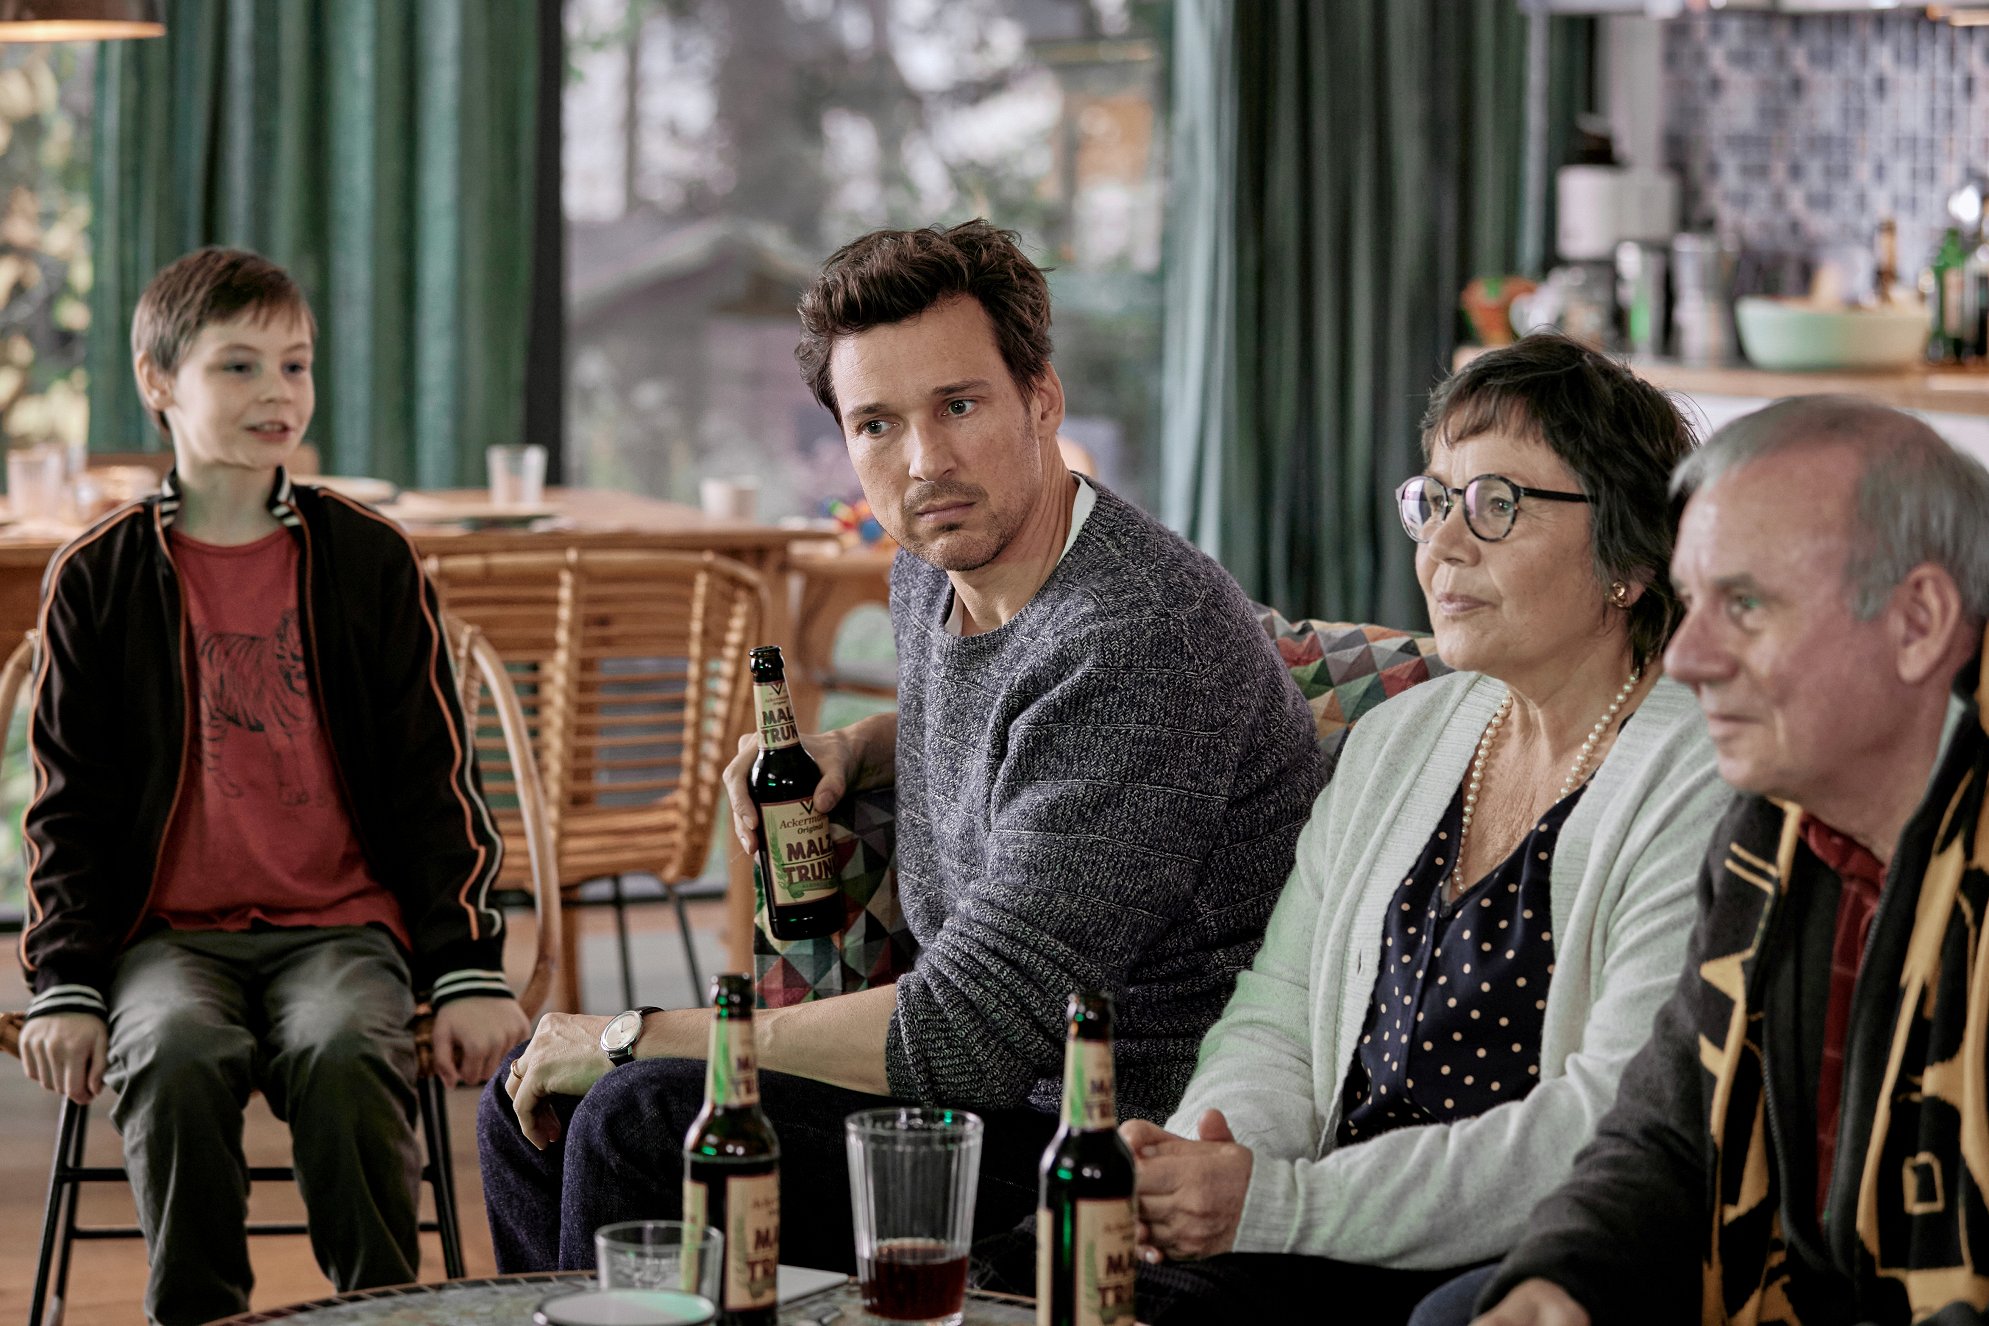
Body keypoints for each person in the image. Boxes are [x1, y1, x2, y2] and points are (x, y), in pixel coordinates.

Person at [476, 218, 1325, 1273]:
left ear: (1042, 399)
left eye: (959, 405)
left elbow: (967, 1035)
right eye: (877, 424)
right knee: (525, 1099)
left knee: (634, 1112)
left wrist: (628, 1032)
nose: (925, 462)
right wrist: (864, 746)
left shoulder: (1141, 636)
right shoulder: (934, 566)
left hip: (1112, 1141)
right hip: (988, 1098)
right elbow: (1015, 718)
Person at [1123, 334, 1732, 1325]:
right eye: (1434, 500)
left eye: (1497, 504)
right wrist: (1207, 1162)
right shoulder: (1396, 741)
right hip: (1320, 1224)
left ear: (1628, 559)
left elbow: (1610, 1121)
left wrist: (1277, 1204)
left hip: (1520, 1259)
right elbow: (1277, 1017)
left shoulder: (1698, 773)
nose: (1443, 544)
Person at [15, 247, 528, 1326]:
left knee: (345, 1049)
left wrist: (467, 969)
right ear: (159, 381)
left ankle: (379, 1313)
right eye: (238, 366)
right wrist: (65, 980)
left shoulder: (369, 559)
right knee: (174, 1049)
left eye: (295, 365)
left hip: (343, 928)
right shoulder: (97, 575)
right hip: (164, 941)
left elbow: (436, 782)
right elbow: (66, 810)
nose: (277, 392)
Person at [1439, 397, 1989, 1326]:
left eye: (1745, 605)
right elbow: (1666, 1131)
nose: (1687, 657)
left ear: (1917, 621)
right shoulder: (1766, 830)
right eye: (1692, 604)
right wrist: (1557, 1280)